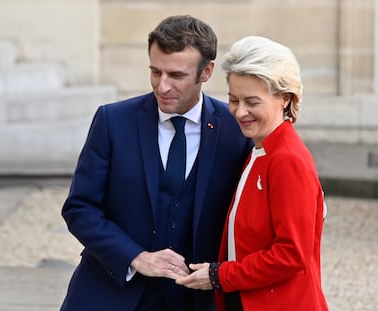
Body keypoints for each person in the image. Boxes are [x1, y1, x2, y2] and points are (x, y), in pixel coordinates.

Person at [60, 15, 253, 311]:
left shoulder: (235, 129)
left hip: (197, 300)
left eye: (176, 75)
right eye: (155, 72)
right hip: (112, 293)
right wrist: (137, 258)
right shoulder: (113, 121)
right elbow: (80, 208)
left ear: (207, 72)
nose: (162, 86)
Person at [176, 36, 329, 310]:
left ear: (285, 98)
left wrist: (218, 275)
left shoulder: (287, 159)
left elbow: (291, 255)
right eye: (233, 99)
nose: (240, 111)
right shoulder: (260, 150)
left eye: (252, 101)